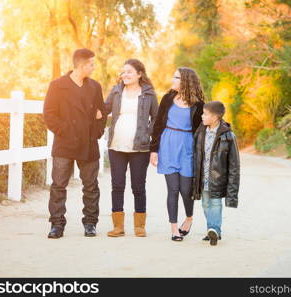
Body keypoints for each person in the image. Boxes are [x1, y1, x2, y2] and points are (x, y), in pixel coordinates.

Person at [43, 48, 106, 239]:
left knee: (91, 186)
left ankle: (90, 223)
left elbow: (102, 114)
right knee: (58, 185)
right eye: (91, 64)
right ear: (81, 64)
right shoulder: (57, 85)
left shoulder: (95, 87)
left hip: (88, 143)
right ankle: (57, 224)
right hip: (65, 143)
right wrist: (67, 131)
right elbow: (49, 115)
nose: (94, 67)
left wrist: (95, 133)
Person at [104, 59, 158, 238]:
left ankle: (139, 226)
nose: (124, 75)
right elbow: (104, 109)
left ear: (139, 74)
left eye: (129, 72)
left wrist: (147, 135)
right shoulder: (117, 90)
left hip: (140, 147)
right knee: (117, 185)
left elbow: (156, 119)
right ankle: (118, 226)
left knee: (138, 186)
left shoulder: (148, 94)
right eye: (123, 71)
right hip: (116, 146)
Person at [150, 67, 205, 241]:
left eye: (176, 77)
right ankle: (174, 228)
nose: (172, 80)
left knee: (186, 190)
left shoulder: (198, 105)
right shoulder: (167, 98)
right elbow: (158, 124)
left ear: (186, 81)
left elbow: (203, 128)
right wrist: (153, 150)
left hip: (187, 147)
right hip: (167, 145)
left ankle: (189, 218)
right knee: (172, 189)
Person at [192, 101, 240, 246]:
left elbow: (234, 165)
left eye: (205, 114)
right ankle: (211, 230)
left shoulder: (228, 136)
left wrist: (232, 191)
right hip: (203, 177)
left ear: (215, 117)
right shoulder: (200, 132)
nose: (202, 116)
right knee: (206, 204)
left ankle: (214, 229)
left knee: (215, 203)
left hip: (218, 179)